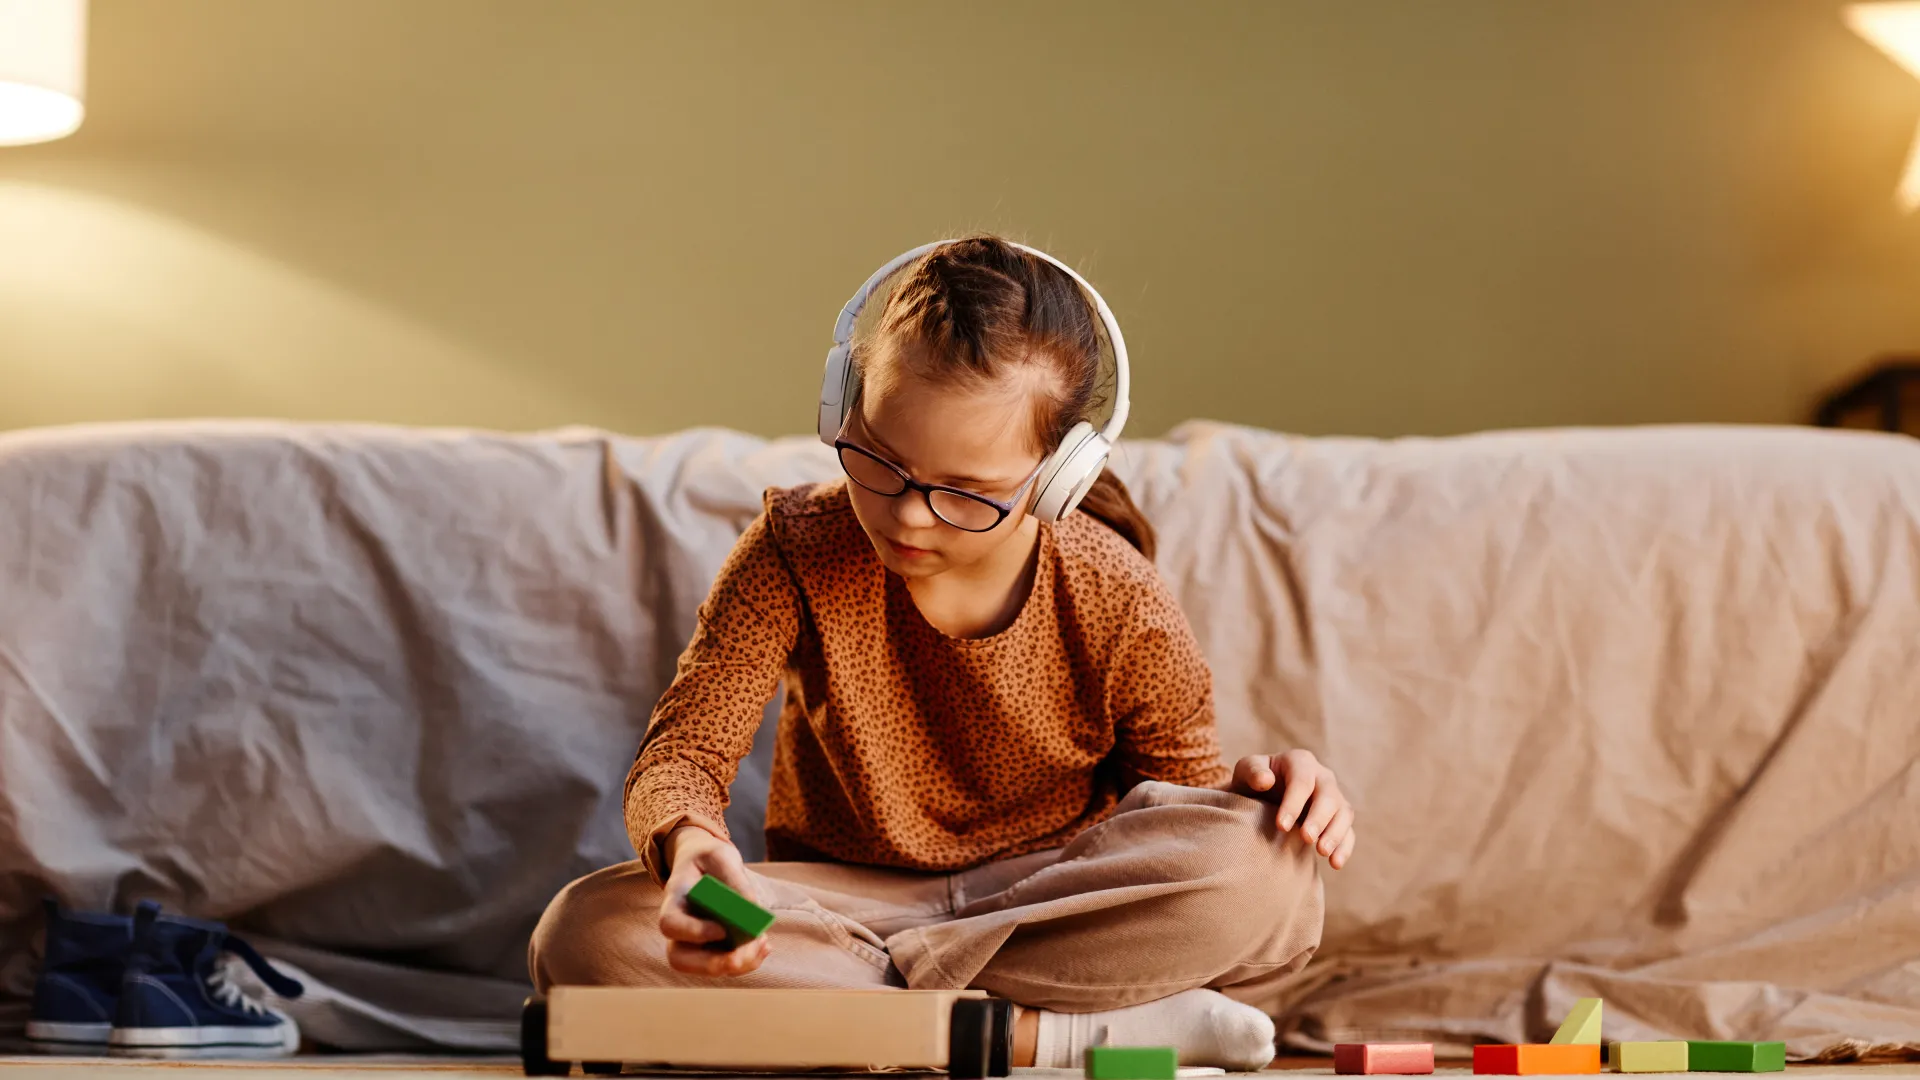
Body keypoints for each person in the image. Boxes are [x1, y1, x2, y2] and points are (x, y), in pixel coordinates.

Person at [530, 235, 1356, 1070]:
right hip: (842, 915)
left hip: (1050, 902)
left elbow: (1176, 819)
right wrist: (688, 847)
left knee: (1267, 870)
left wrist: (1257, 802)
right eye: (879, 461)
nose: (908, 516)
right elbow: (686, 752)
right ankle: (1057, 1036)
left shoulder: (1118, 594)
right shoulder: (793, 547)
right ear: (844, 406)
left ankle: (861, 1019)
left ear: (1056, 477)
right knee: (586, 932)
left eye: (966, 493)